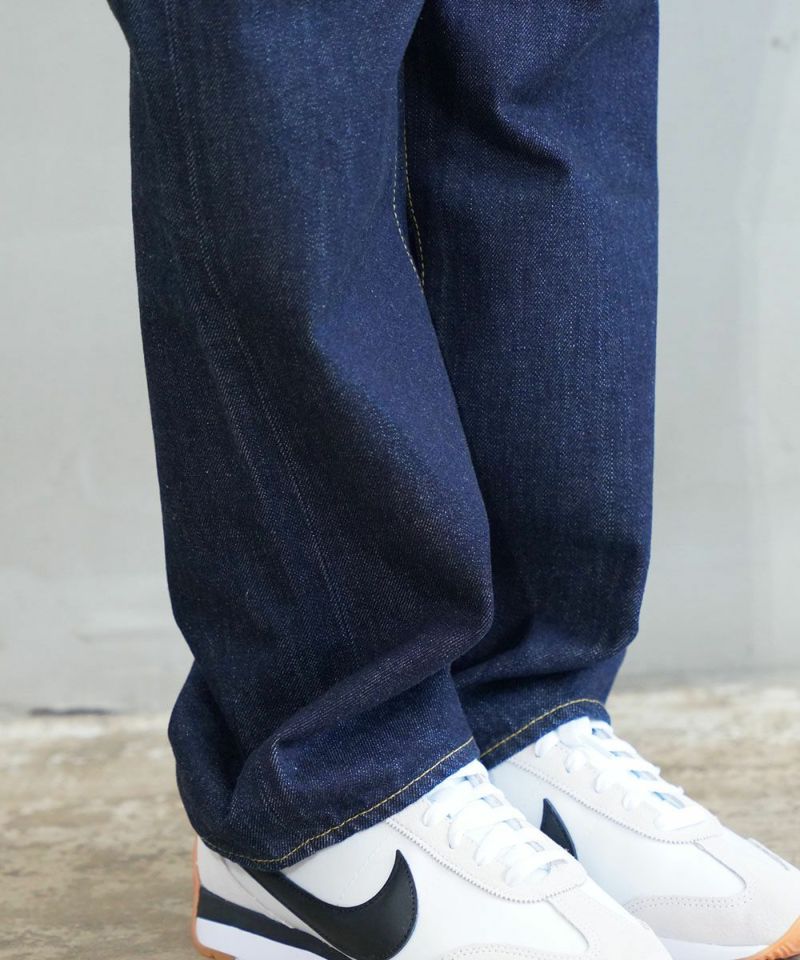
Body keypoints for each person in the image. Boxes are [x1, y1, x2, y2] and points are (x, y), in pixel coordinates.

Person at [106, 2, 800, 959]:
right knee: (288, 57)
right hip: (318, 768)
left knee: (544, 53)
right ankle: (327, 785)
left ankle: (514, 716)